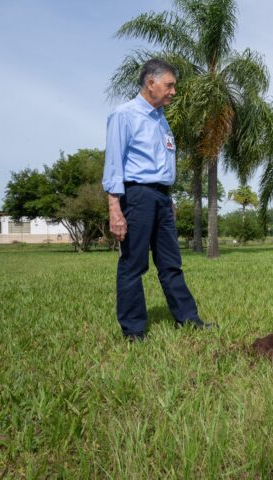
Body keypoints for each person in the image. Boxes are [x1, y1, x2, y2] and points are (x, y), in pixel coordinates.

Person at [102, 58, 215, 341]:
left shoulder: (161, 120)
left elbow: (160, 166)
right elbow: (114, 163)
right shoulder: (124, 115)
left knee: (170, 263)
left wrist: (168, 200)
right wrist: (115, 208)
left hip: (161, 198)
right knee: (133, 264)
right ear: (150, 83)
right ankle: (134, 330)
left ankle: (188, 320)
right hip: (136, 195)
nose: (173, 91)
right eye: (169, 85)